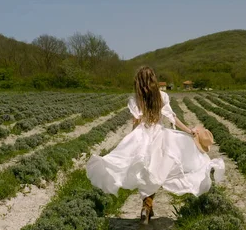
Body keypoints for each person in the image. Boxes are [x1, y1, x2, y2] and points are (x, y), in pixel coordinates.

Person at [86, 66, 225, 224]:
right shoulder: (162, 96)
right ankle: (147, 206)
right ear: (153, 80)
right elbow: (172, 117)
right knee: (157, 172)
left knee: (145, 173)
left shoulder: (135, 99)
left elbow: (136, 122)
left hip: (142, 135)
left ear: (138, 82)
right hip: (160, 136)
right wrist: (188, 130)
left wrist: (131, 141)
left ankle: (147, 207)